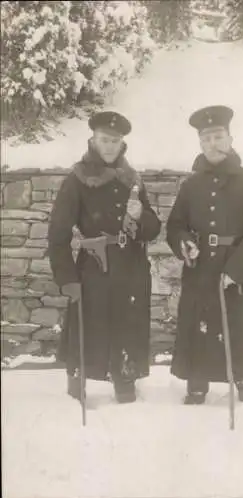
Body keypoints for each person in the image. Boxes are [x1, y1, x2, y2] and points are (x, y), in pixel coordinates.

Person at [48, 111, 161, 404]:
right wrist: (67, 278)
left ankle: (125, 377)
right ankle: (77, 379)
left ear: (122, 143)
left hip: (130, 265)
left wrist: (141, 217)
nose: (110, 146)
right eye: (104, 140)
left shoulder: (132, 179)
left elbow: (153, 228)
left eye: (115, 140)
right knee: (88, 323)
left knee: (127, 322)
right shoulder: (77, 179)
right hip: (93, 266)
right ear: (93, 140)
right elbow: (58, 233)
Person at [166, 105, 243, 405]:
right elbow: (175, 226)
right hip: (200, 269)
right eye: (206, 138)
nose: (212, 144)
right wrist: (184, 243)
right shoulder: (190, 185)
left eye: (217, 136)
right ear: (200, 143)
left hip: (236, 270)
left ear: (230, 138)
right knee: (199, 325)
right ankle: (197, 382)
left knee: (240, 326)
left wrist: (237, 268)